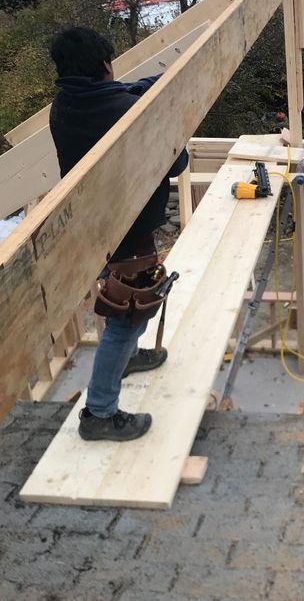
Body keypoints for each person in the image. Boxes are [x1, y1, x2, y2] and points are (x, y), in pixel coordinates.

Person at [49, 26, 189, 442]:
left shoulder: (63, 106)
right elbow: (177, 162)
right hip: (129, 231)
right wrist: (157, 106)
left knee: (127, 307)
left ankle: (127, 358)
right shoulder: (125, 110)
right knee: (129, 311)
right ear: (107, 65)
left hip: (92, 223)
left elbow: (108, 94)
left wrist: (144, 88)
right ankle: (99, 413)